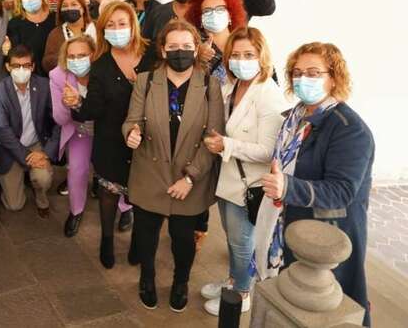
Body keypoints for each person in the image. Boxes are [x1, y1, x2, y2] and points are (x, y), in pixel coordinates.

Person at [256, 42, 375, 326]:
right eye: (297, 73)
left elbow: (342, 191)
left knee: (331, 308)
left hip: (328, 236)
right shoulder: (296, 117)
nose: (302, 79)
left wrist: (288, 187)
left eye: (313, 73)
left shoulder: (349, 129)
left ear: (334, 78)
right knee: (291, 296)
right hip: (290, 222)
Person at [122, 19, 224, 313]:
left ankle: (181, 282)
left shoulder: (210, 85)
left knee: (182, 239)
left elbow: (213, 138)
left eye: (187, 46)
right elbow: (132, 120)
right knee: (146, 234)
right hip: (150, 173)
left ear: (196, 49)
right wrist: (131, 133)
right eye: (174, 46)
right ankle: (147, 279)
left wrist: (190, 178)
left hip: (189, 178)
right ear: (163, 50)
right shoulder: (145, 81)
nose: (181, 51)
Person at [198, 27, 288, 316]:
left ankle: (242, 293)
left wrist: (227, 145)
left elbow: (268, 150)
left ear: (262, 56)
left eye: (249, 54)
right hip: (228, 178)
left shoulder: (268, 95)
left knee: (241, 243)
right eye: (235, 55)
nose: (241, 60)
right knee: (231, 237)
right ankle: (233, 281)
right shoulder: (233, 85)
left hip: (249, 183)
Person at [62, 2, 149, 269]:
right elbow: (93, 109)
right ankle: (107, 240)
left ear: (133, 25)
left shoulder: (152, 56)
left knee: (142, 196)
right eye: (110, 25)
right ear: (102, 30)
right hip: (110, 140)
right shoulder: (100, 65)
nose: (117, 29)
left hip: (147, 142)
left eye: (122, 23)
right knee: (109, 194)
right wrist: (76, 103)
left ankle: (138, 242)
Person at [0, 45, 60, 218]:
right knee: (14, 205)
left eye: (26, 65)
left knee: (43, 178)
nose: (21, 70)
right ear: (8, 67)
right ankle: (21, 177)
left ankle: (40, 195)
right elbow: (2, 130)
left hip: (37, 144)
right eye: (16, 66)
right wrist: (27, 156)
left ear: (33, 66)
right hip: (11, 147)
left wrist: (45, 153)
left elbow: (58, 122)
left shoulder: (44, 85)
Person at [49, 35, 95, 237]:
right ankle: (76, 210)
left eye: (82, 55)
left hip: (104, 127)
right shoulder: (58, 76)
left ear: (93, 55)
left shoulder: (103, 71)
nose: (77, 61)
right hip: (79, 129)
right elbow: (60, 119)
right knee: (76, 169)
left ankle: (125, 207)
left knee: (114, 167)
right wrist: (66, 104)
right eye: (72, 56)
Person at [143, 0, 204, 68]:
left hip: (197, 72)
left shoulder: (203, 14)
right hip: (160, 71)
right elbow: (145, 45)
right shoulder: (157, 13)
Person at [186, 0, 248, 83]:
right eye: (207, 11)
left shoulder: (246, 41)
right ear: (200, 19)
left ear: (230, 16)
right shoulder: (190, 44)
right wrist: (197, 58)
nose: (214, 14)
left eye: (220, 9)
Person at [5, 0, 55, 77]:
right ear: (20, 1)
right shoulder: (14, 24)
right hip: (28, 78)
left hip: (55, 77)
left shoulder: (55, 19)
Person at [41, 0, 97, 73]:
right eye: (65, 6)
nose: (69, 8)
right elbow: (47, 63)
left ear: (83, 8)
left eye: (74, 4)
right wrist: (68, 62)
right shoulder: (56, 34)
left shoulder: (98, 28)